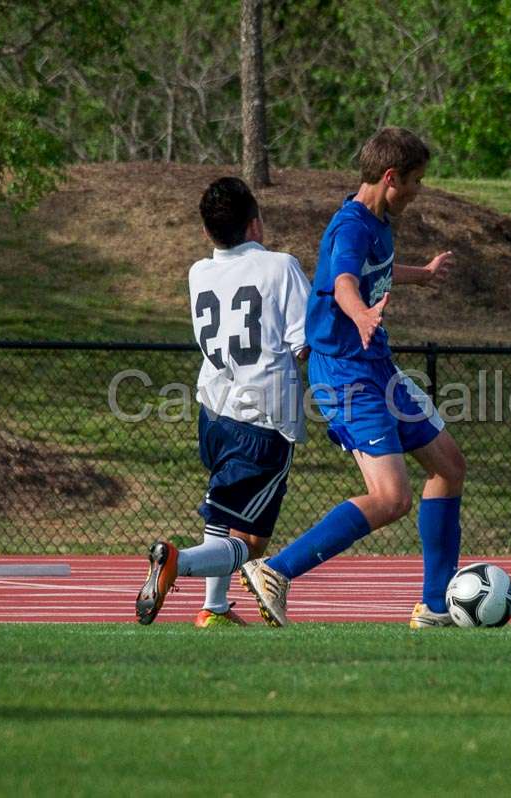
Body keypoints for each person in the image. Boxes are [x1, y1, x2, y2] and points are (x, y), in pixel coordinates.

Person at [240, 127, 465, 629]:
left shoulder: (377, 223)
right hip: (345, 373)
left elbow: (372, 270)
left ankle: (433, 607)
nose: (418, 190)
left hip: (376, 368)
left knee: (449, 465)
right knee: (392, 498)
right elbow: (343, 281)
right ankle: (275, 570)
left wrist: (421, 275)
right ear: (391, 177)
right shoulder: (352, 227)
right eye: (416, 181)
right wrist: (362, 315)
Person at [137, 176, 310, 628]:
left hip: (213, 411)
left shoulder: (199, 272)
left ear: (207, 232)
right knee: (252, 542)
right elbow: (305, 344)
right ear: (255, 223)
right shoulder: (280, 266)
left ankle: (213, 609)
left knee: (221, 511)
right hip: (263, 417)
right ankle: (178, 562)